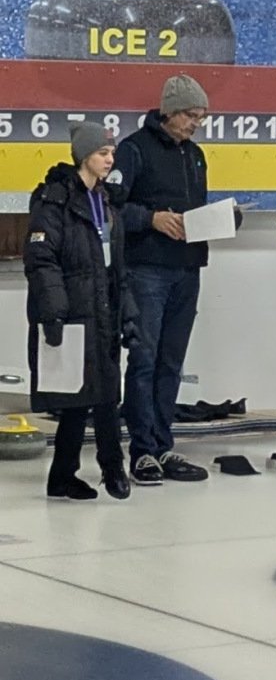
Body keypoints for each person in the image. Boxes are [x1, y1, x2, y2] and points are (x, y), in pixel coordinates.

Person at [24, 124, 136, 501]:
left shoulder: (105, 202)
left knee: (104, 394)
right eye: (103, 153)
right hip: (73, 314)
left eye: (112, 153)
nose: (110, 160)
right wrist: (54, 312)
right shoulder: (54, 202)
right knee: (79, 398)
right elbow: (41, 260)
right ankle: (94, 471)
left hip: (103, 311)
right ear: (84, 155)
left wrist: (128, 313)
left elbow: (117, 266)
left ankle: (95, 471)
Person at [114, 73, 215, 486]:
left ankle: (162, 444)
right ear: (169, 111)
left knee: (171, 362)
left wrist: (219, 221)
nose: (196, 124)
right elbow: (110, 208)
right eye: (191, 115)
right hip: (146, 270)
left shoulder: (196, 155)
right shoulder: (133, 150)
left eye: (201, 117)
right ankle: (142, 450)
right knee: (144, 360)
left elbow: (197, 208)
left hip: (187, 269)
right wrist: (150, 218)